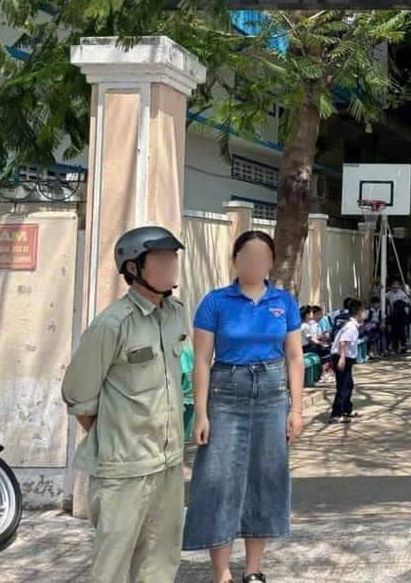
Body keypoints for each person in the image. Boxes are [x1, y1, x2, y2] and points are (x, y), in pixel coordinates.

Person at [61, 226, 188, 583]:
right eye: (161, 259)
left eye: (173, 258)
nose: (171, 265)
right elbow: (78, 396)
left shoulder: (176, 314)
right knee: (113, 564)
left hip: (168, 462)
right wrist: (118, 434)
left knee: (161, 559)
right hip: (124, 469)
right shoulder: (112, 324)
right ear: (133, 268)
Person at [182, 230, 305, 583]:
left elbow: (295, 358)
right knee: (217, 478)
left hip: (272, 395)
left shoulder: (284, 302)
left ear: (271, 262)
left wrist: (296, 410)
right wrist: (201, 412)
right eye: (246, 256)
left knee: (264, 478)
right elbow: (201, 360)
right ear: (235, 260)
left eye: (262, 258)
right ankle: (221, 571)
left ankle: (253, 569)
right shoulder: (215, 302)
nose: (254, 263)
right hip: (225, 394)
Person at [330, 301, 365, 424]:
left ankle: (346, 409)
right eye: (364, 311)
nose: (365, 314)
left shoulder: (352, 325)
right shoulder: (351, 326)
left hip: (345, 357)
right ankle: (336, 414)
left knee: (348, 385)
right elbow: (342, 342)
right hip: (341, 357)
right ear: (359, 312)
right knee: (343, 386)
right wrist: (342, 358)